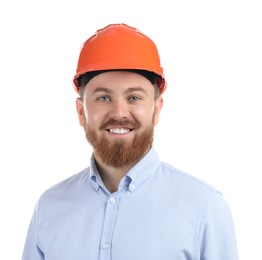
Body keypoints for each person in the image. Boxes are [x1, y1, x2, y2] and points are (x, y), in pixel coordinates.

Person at [22, 23, 239, 260]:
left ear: (156, 110)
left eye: (134, 97)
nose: (119, 112)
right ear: (81, 112)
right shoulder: (49, 207)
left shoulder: (204, 208)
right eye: (103, 97)